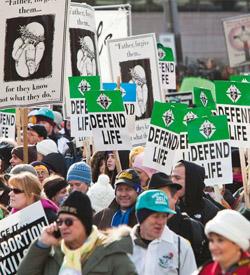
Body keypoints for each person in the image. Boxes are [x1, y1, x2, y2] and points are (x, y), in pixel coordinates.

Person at [17, 190, 137, 275]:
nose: (63, 226)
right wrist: (41, 245)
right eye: (60, 222)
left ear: (84, 223)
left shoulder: (111, 253)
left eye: (69, 222)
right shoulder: (53, 253)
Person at [129, 190, 197, 274]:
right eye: (156, 216)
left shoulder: (181, 247)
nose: (160, 222)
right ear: (141, 218)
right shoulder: (123, 245)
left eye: (164, 216)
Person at [148, 172, 207, 266]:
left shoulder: (191, 227)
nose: (157, 199)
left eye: (162, 195)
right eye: (152, 196)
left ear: (175, 198)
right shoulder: (143, 227)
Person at [197, 209, 250, 274]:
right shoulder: (205, 271)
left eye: (220, 240)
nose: (214, 247)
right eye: (211, 240)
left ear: (238, 244)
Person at [171, 160, 220, 225]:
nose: (172, 182)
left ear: (191, 181)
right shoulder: (170, 205)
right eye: (172, 177)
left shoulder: (211, 213)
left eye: (177, 178)